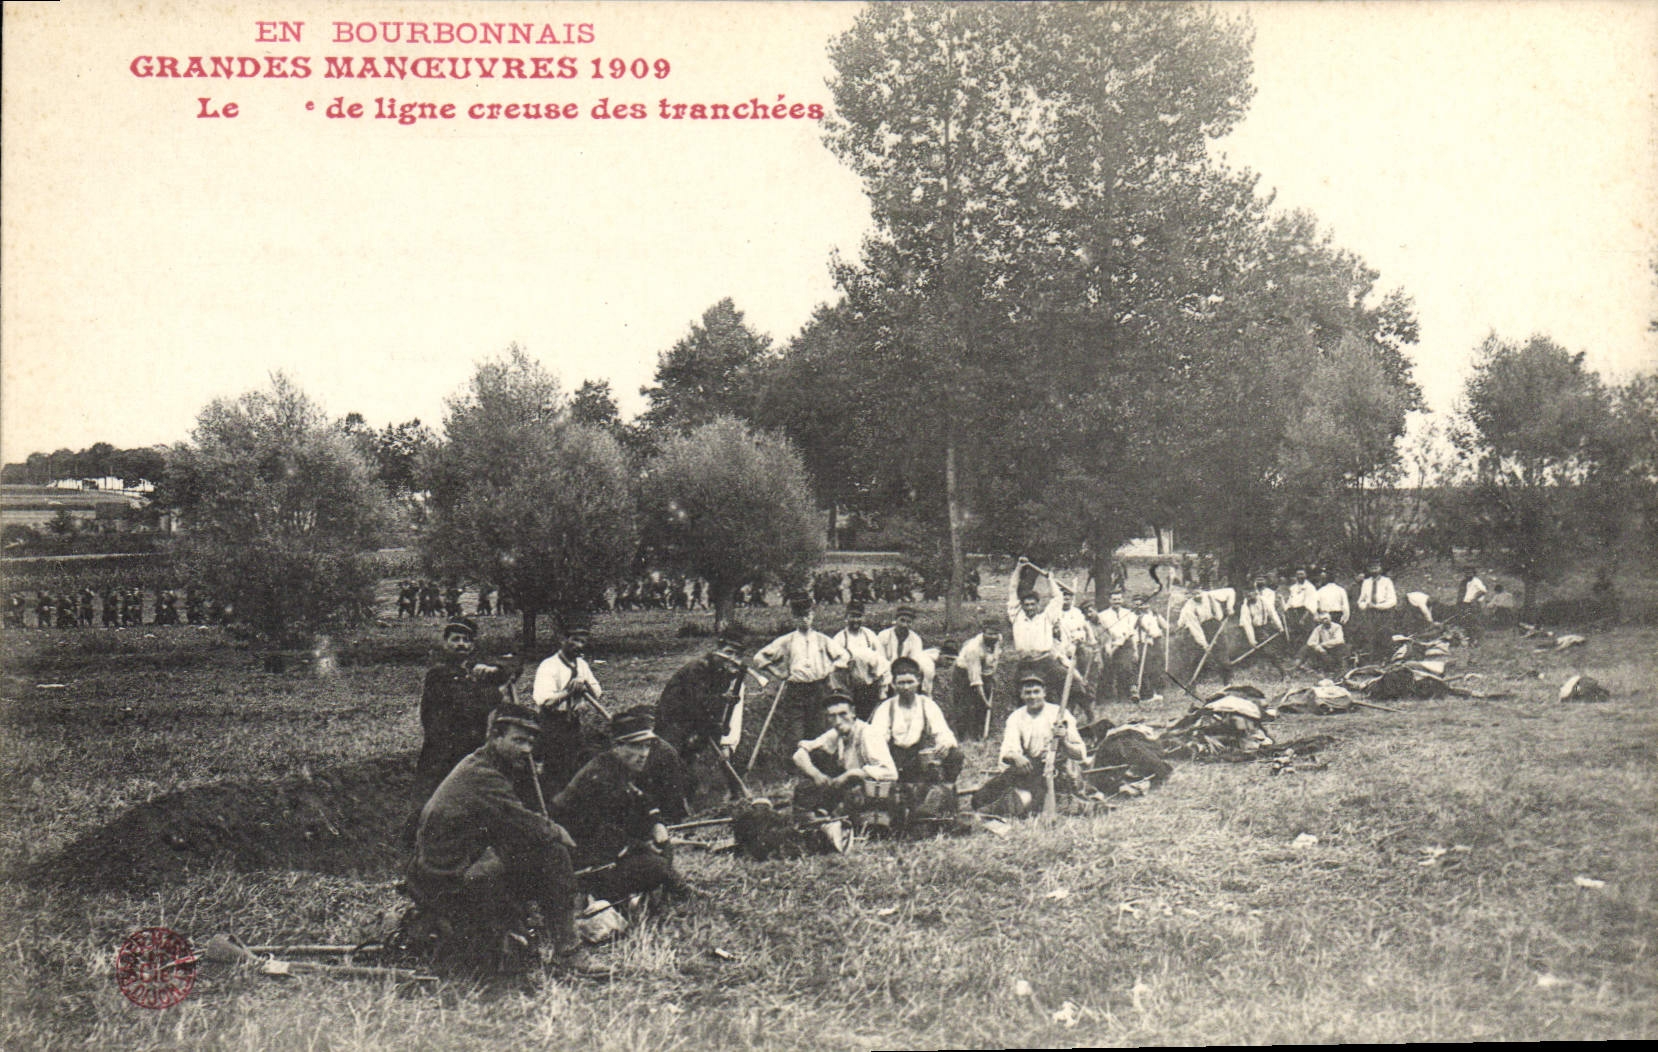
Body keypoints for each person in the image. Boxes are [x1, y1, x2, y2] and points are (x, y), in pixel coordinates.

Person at [406, 703, 605, 977]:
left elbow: (511, 822)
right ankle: (568, 952)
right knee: (553, 854)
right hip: (447, 878)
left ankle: (531, 934)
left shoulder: (488, 764)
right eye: (518, 740)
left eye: (530, 742)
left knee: (534, 856)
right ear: (495, 737)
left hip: (456, 866)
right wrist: (557, 832)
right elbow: (522, 821)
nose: (526, 749)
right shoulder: (482, 775)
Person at [551, 710, 690, 905]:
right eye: (635, 746)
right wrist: (639, 847)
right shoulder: (599, 776)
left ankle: (667, 890)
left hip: (606, 849)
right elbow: (602, 831)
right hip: (583, 860)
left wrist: (656, 822)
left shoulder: (620, 767)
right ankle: (669, 890)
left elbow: (642, 800)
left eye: (646, 746)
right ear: (617, 746)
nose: (643, 754)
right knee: (654, 865)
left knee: (662, 842)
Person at [410, 617, 512, 828]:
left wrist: (495, 670)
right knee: (433, 801)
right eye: (455, 639)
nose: (461, 644)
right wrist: (496, 693)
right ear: (444, 643)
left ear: (472, 646)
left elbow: (513, 669)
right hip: (442, 750)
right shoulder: (439, 674)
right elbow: (469, 708)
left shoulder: (470, 671)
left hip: (468, 747)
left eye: (466, 640)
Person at [969, 670, 1088, 816]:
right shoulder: (1016, 717)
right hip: (1030, 768)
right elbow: (1007, 752)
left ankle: (1007, 807)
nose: (1032, 696)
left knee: (1033, 801)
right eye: (1028, 692)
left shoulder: (1060, 714)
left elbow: (1080, 754)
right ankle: (993, 806)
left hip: (1058, 770)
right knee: (979, 799)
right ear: (1022, 695)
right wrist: (1016, 757)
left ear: (1044, 693)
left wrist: (1063, 741)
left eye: (1036, 692)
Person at [654, 624, 749, 799]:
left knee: (692, 759)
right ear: (718, 650)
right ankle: (671, 804)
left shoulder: (724, 673)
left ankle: (728, 794)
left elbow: (713, 708)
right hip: (674, 720)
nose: (732, 659)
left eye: (737, 655)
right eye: (729, 653)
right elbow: (696, 701)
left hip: (696, 721)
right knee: (673, 761)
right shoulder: (698, 668)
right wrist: (722, 699)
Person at [752, 596, 849, 758]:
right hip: (796, 690)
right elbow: (759, 658)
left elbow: (844, 657)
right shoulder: (787, 640)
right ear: (794, 618)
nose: (804, 620)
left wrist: (829, 669)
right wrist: (778, 673)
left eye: (807, 615)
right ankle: (797, 767)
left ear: (812, 616)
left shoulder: (822, 639)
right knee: (796, 731)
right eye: (800, 616)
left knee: (819, 728)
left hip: (820, 688)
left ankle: (819, 765)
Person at [790, 692, 897, 817]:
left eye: (843, 714)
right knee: (809, 778)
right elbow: (799, 755)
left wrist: (851, 774)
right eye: (832, 716)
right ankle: (816, 817)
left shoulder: (868, 733)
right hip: (847, 787)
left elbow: (891, 773)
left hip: (873, 791)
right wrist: (816, 774)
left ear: (853, 713)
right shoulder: (836, 733)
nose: (838, 721)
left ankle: (833, 816)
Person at [532, 614, 604, 791]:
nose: (579, 645)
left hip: (573, 724)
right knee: (554, 769)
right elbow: (545, 701)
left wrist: (584, 685)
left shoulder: (581, 665)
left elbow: (597, 692)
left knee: (575, 765)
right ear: (562, 639)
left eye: (582, 641)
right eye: (574, 640)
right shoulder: (549, 666)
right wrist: (568, 691)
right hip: (551, 724)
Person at [832, 600, 890, 720]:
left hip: (869, 686)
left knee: (870, 719)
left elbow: (882, 661)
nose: (855, 620)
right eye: (852, 616)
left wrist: (882, 687)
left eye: (858, 616)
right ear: (846, 617)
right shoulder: (840, 638)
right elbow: (835, 669)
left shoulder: (870, 636)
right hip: (849, 688)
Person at [953, 619, 1003, 740]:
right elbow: (976, 680)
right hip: (964, 672)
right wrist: (986, 702)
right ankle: (964, 738)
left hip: (984, 670)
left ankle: (982, 735)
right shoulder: (973, 649)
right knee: (966, 705)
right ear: (983, 632)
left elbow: (994, 659)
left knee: (982, 708)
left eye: (995, 633)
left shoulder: (999, 639)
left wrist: (991, 675)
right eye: (989, 633)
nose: (993, 636)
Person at [877, 605, 933, 694]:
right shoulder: (884, 635)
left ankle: (924, 694)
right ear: (896, 620)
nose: (904, 625)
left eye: (908, 622)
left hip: (905, 670)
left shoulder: (915, 639)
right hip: (885, 670)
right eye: (902, 620)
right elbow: (880, 658)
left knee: (926, 665)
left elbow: (914, 661)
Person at [1236, 577, 1288, 671]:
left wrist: (1279, 627)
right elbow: (1247, 625)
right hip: (1252, 629)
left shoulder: (1264, 601)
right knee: (1252, 650)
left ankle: (1283, 671)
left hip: (1264, 627)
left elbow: (1273, 614)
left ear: (1256, 592)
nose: (1248, 596)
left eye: (1250, 593)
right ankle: (1256, 668)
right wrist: (1252, 641)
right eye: (1246, 595)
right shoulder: (1245, 606)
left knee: (1270, 651)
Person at [1094, 591, 1137, 703]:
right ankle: (1112, 696)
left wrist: (1135, 649)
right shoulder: (1103, 615)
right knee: (1111, 670)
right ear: (1110, 601)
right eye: (1114, 599)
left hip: (1125, 644)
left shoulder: (1129, 613)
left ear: (1122, 600)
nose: (1117, 602)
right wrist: (1109, 646)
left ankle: (1127, 694)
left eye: (1119, 599)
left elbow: (1130, 631)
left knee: (1125, 667)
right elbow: (1105, 632)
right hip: (1110, 644)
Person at [1355, 562, 1399, 660]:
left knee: (1385, 634)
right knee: (1371, 634)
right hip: (1370, 613)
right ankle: (1374, 659)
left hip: (1384, 612)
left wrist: (1378, 606)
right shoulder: (1366, 582)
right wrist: (1364, 606)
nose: (1374, 569)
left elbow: (1393, 601)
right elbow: (1361, 600)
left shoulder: (1387, 581)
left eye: (1376, 567)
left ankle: (1387, 658)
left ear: (1381, 568)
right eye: (1371, 567)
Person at [1284, 568, 1317, 641]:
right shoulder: (1293, 588)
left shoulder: (1310, 587)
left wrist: (1303, 618)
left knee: (1306, 635)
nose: (1299, 576)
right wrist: (1286, 610)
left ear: (1306, 575)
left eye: (1301, 574)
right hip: (1294, 614)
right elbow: (1290, 601)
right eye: (1298, 574)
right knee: (1295, 635)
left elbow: (1311, 605)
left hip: (1305, 613)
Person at [1458, 568, 1488, 646]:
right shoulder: (1465, 582)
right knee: (1468, 621)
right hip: (1466, 604)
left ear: (1474, 573)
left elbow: (1483, 590)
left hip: (1473, 604)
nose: (1468, 574)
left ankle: (1479, 641)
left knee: (1476, 621)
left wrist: (1474, 599)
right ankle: (1471, 640)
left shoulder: (1476, 581)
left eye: (1470, 573)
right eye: (1466, 573)